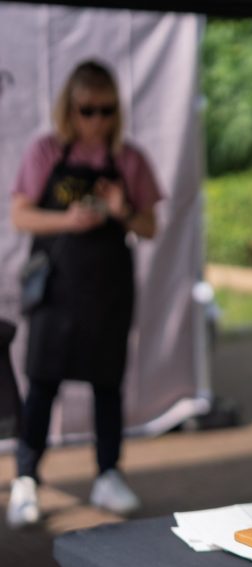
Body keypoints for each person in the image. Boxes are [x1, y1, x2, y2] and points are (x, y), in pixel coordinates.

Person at [7, 60, 162, 528]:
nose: (97, 120)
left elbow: (150, 226)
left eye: (106, 109)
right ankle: (26, 479)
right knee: (42, 383)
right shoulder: (45, 152)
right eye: (87, 110)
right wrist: (67, 220)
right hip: (56, 291)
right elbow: (20, 215)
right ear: (69, 110)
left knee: (107, 385)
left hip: (107, 292)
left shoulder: (130, 160)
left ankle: (108, 474)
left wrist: (120, 211)